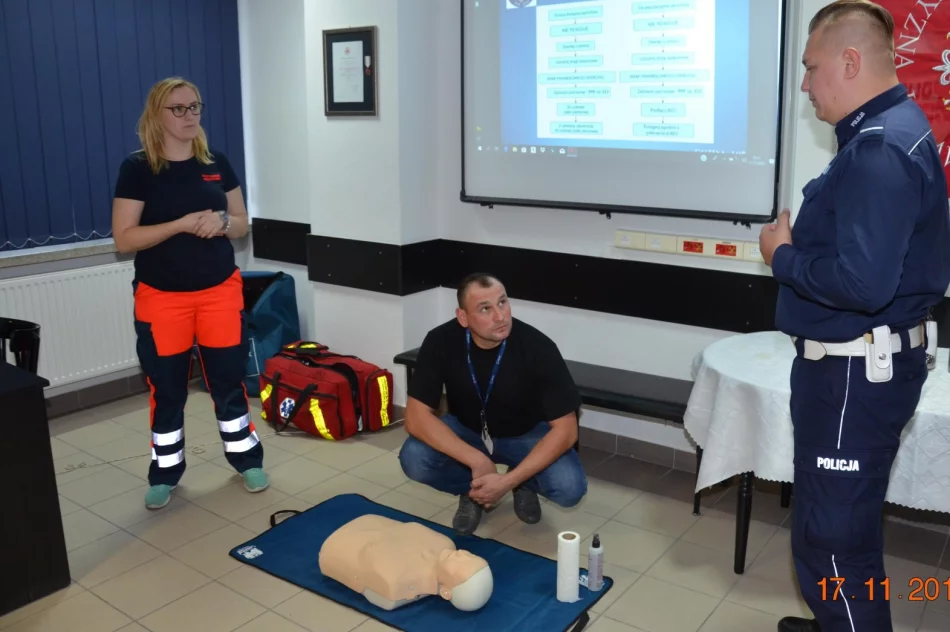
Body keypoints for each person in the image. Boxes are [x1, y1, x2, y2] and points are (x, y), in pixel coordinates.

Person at [758, 2, 950, 631]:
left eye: (812, 68)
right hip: (864, 366)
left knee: (832, 539)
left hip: (852, 375)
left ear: (849, 60)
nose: (806, 84)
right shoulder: (892, 127)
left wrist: (782, 257)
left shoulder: (878, 148)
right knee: (846, 525)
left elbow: (863, 285)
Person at [112, 77, 268, 510]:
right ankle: (164, 473)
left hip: (219, 292)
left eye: (194, 106)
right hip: (162, 299)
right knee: (168, 390)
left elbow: (241, 221)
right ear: (156, 115)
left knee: (228, 384)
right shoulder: (138, 168)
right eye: (178, 108)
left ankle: (246, 459)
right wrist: (181, 223)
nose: (189, 115)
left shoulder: (216, 162)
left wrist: (222, 222)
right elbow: (124, 238)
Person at [398, 273, 587, 535]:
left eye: (502, 302)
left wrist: (509, 481)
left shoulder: (537, 347)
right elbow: (416, 418)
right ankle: (474, 492)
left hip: (526, 435)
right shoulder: (440, 341)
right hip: (468, 430)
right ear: (463, 317)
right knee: (414, 458)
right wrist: (475, 460)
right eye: (485, 309)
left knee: (569, 488)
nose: (500, 316)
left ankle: (524, 484)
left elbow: (567, 431)